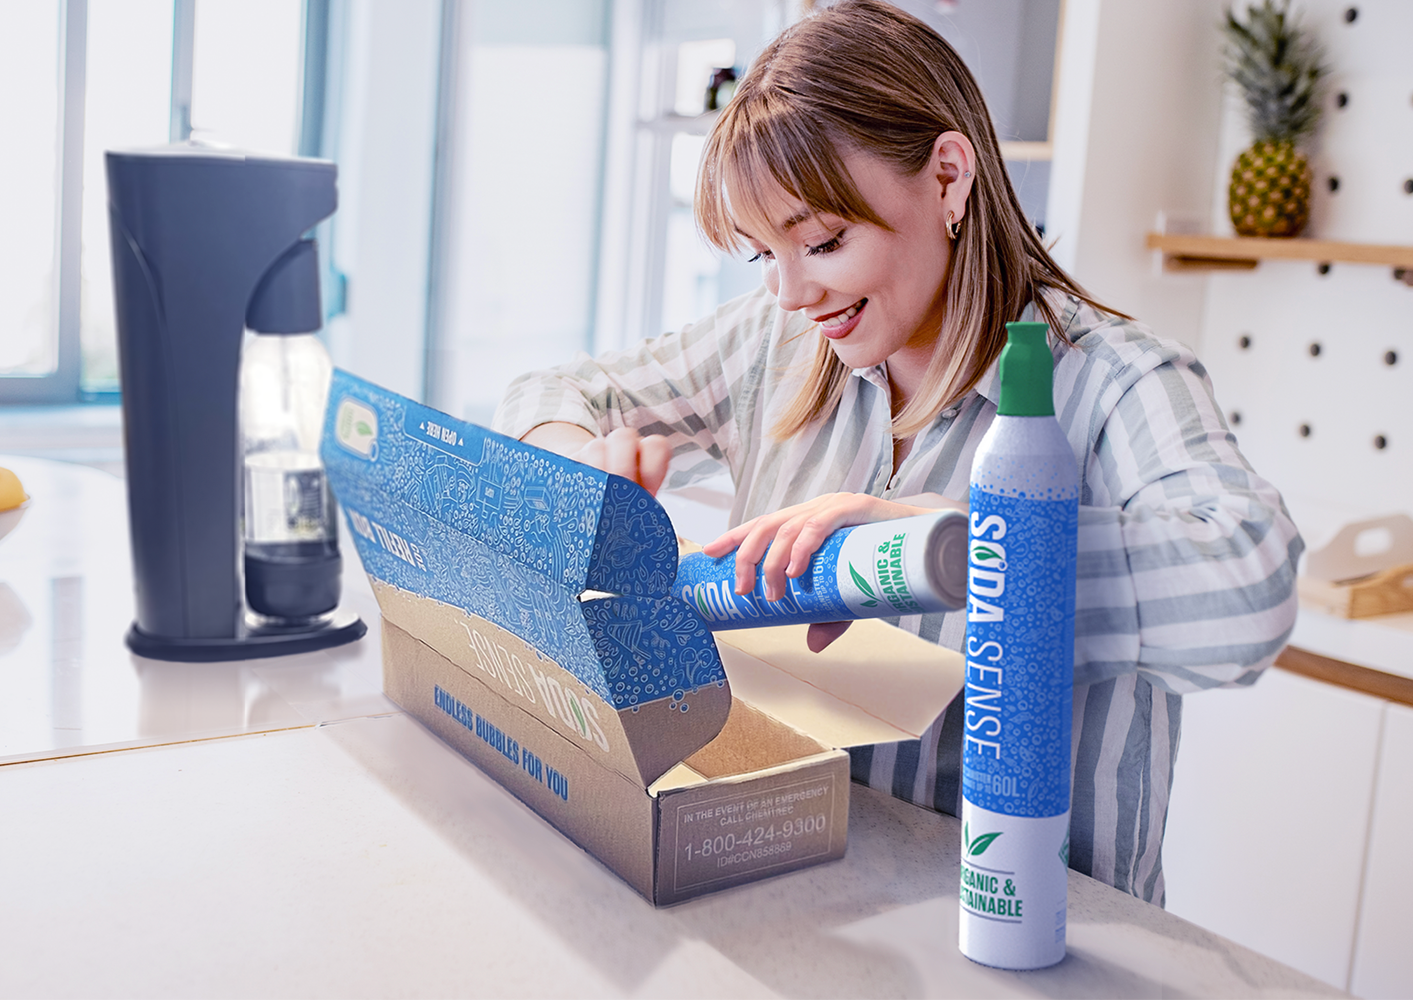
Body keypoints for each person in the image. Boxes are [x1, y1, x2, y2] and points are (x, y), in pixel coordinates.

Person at [494, 0, 1301, 905]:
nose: (792, 291)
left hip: (1040, 941)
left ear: (948, 178)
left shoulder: (1113, 382)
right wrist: (578, 458)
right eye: (763, 253)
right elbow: (556, 392)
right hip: (806, 906)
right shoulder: (778, 340)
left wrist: (952, 544)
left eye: (824, 241)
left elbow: (1250, 587)